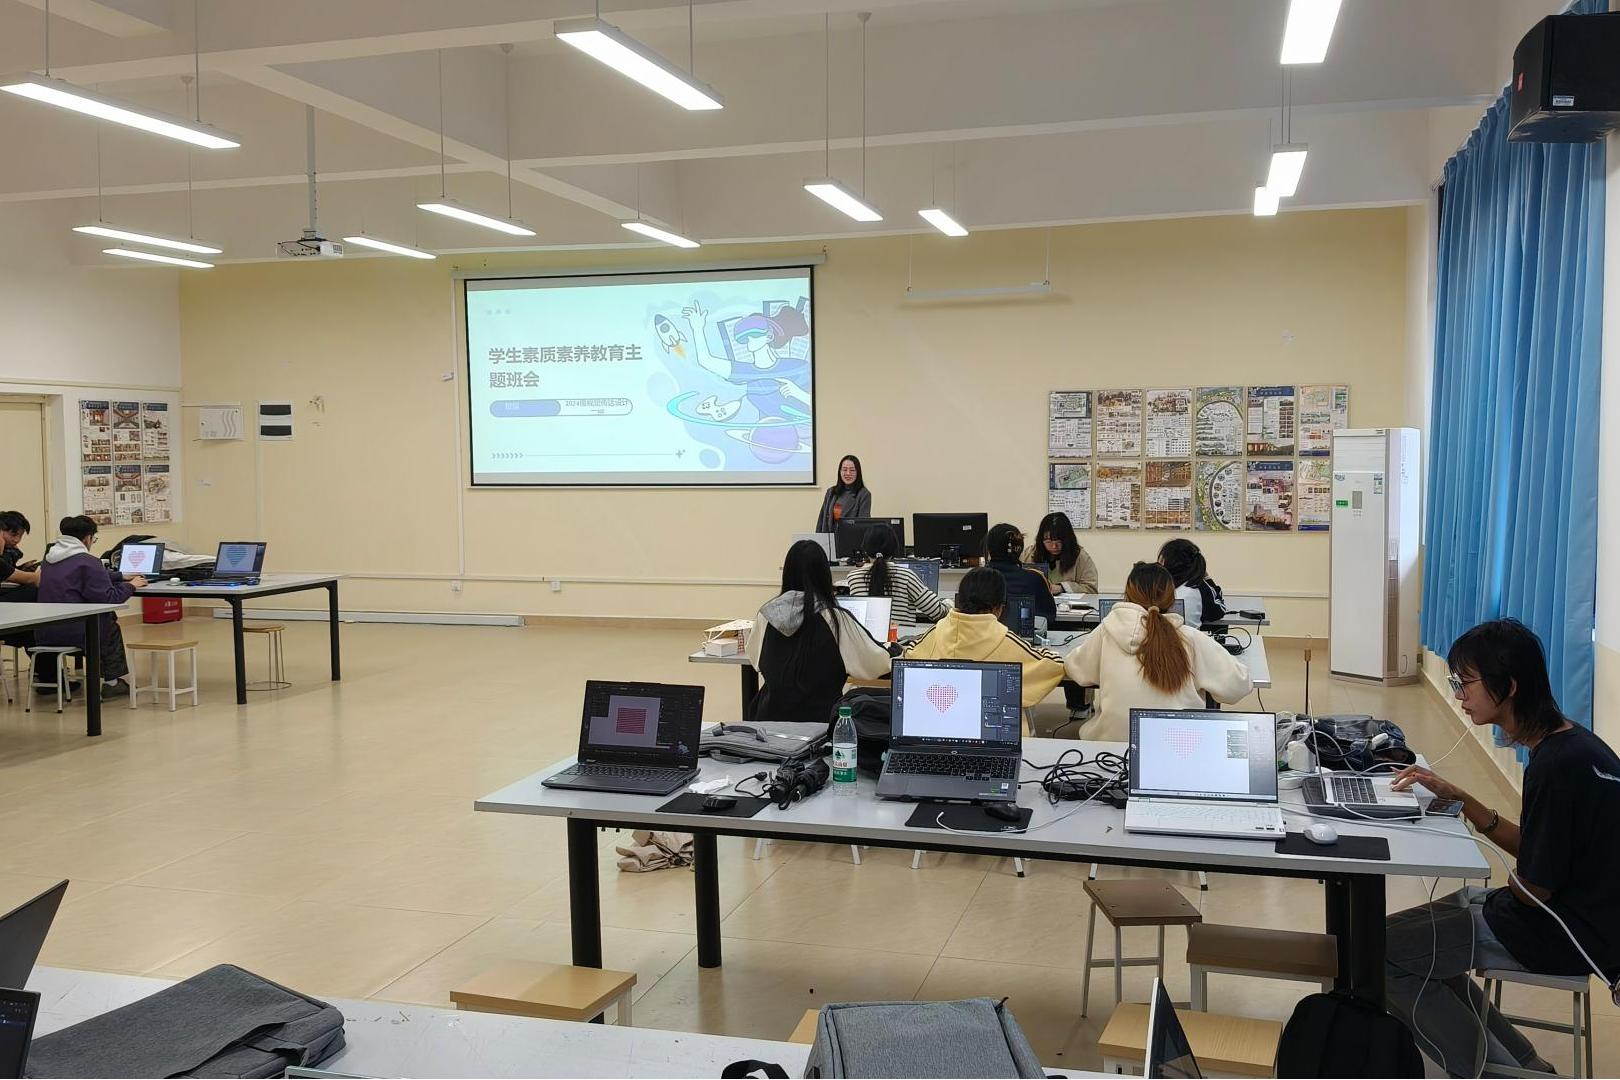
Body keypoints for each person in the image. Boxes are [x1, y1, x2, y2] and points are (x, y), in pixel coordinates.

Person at [1383, 619, 1619, 1078]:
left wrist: (1484, 873)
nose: (1459, 695)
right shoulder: (1572, 742)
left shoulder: (1556, 766)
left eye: (1465, 683)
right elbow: (1539, 849)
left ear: (1508, 686)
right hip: (1579, 917)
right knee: (1411, 941)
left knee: (1383, 954)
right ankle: (1528, 1065)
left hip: (1564, 932)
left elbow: (1534, 891)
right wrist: (1461, 799)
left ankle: (1494, 1073)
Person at [1061, 562, 1252, 740]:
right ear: (1172, 598)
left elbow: (1076, 670)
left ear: (1127, 595)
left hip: (1110, 745)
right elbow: (1238, 685)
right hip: (1177, 748)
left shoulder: (1106, 631)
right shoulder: (1190, 638)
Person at [745, 539, 890, 726]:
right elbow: (876, 664)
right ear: (824, 575)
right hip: (821, 725)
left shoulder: (766, 614)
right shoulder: (834, 618)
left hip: (769, 724)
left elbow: (755, 659)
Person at [902, 567, 1065, 710]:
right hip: (993, 728)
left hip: (938, 724)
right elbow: (1053, 665)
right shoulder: (1006, 640)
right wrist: (1049, 652)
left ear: (959, 600)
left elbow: (908, 654)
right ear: (999, 608)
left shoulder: (935, 633)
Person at [34, 515, 146, 697]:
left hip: (45, 631)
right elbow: (109, 598)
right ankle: (111, 682)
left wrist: (120, 576)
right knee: (108, 621)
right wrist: (132, 585)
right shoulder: (88, 561)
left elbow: (76, 576)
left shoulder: (49, 559)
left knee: (100, 621)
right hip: (77, 633)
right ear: (87, 538)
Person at [844, 525, 947, 625]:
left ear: (865, 550)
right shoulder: (906, 576)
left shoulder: (854, 577)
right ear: (894, 549)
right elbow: (937, 612)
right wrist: (948, 603)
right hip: (900, 637)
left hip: (865, 637)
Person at [984, 523, 1056, 626]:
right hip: (1025, 635)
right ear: (1019, 548)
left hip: (983, 634)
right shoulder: (1035, 578)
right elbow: (1050, 616)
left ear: (988, 549)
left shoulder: (974, 579)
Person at [1158, 538, 1226, 628]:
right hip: (1190, 636)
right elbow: (1218, 612)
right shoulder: (1198, 585)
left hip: (1157, 636)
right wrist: (1207, 578)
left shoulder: (1156, 584)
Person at [1024, 512, 1098, 595]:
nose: (1054, 546)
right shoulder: (1029, 553)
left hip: (1069, 603)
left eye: (1059, 541)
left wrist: (1062, 588)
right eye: (1048, 541)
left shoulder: (1080, 556)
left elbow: (1091, 588)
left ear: (1068, 539)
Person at [815, 454, 871, 533]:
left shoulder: (863, 494)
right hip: (828, 537)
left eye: (852, 470)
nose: (848, 473)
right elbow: (821, 520)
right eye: (844, 469)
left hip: (850, 538)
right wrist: (818, 538)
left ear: (858, 472)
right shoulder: (831, 492)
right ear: (840, 472)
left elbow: (863, 526)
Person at [0, 510, 41, 599]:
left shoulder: (10, 552)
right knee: (33, 591)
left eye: (20, 536)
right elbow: (31, 579)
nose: (17, 540)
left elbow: (7, 573)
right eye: (13, 535)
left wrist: (22, 569)